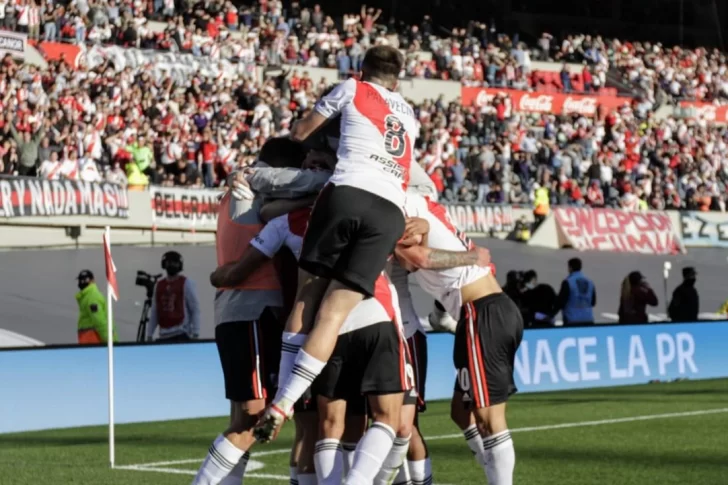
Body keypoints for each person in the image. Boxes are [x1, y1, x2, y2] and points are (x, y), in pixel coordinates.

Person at [256, 45, 420, 442]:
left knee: (308, 295)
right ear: (397, 81)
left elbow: (299, 132)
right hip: (390, 211)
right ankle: (287, 401)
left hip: (347, 190)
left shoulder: (352, 88)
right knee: (334, 311)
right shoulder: (410, 113)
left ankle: (281, 400)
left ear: (362, 71)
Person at [191, 138, 329, 485]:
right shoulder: (254, 183)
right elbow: (308, 184)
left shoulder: (236, 194)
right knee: (255, 419)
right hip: (254, 306)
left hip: (236, 308)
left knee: (245, 416)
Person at [395, 193, 522, 485]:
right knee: (460, 413)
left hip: (482, 311)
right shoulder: (430, 214)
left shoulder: (407, 209)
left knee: (489, 417)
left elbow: (417, 259)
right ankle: (492, 470)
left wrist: (469, 256)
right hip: (482, 311)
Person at [146, 251, 200, 342]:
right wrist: (149, 334)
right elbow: (155, 311)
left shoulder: (186, 283)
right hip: (163, 335)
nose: (171, 265)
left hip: (181, 333)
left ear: (179, 265)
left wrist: (196, 332)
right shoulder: (159, 285)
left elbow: (195, 309)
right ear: (164, 264)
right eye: (169, 263)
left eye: (174, 263)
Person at [76, 270, 118, 344]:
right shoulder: (87, 296)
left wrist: (110, 341)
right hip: (91, 340)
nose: (82, 282)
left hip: (93, 341)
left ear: (92, 280)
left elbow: (99, 320)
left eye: (84, 280)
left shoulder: (92, 297)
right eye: (81, 280)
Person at [554, 258, 596, 326]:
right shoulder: (590, 282)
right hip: (588, 319)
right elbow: (593, 302)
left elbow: (561, 302)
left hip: (571, 319)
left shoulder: (568, 282)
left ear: (570, 268)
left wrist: (551, 314)